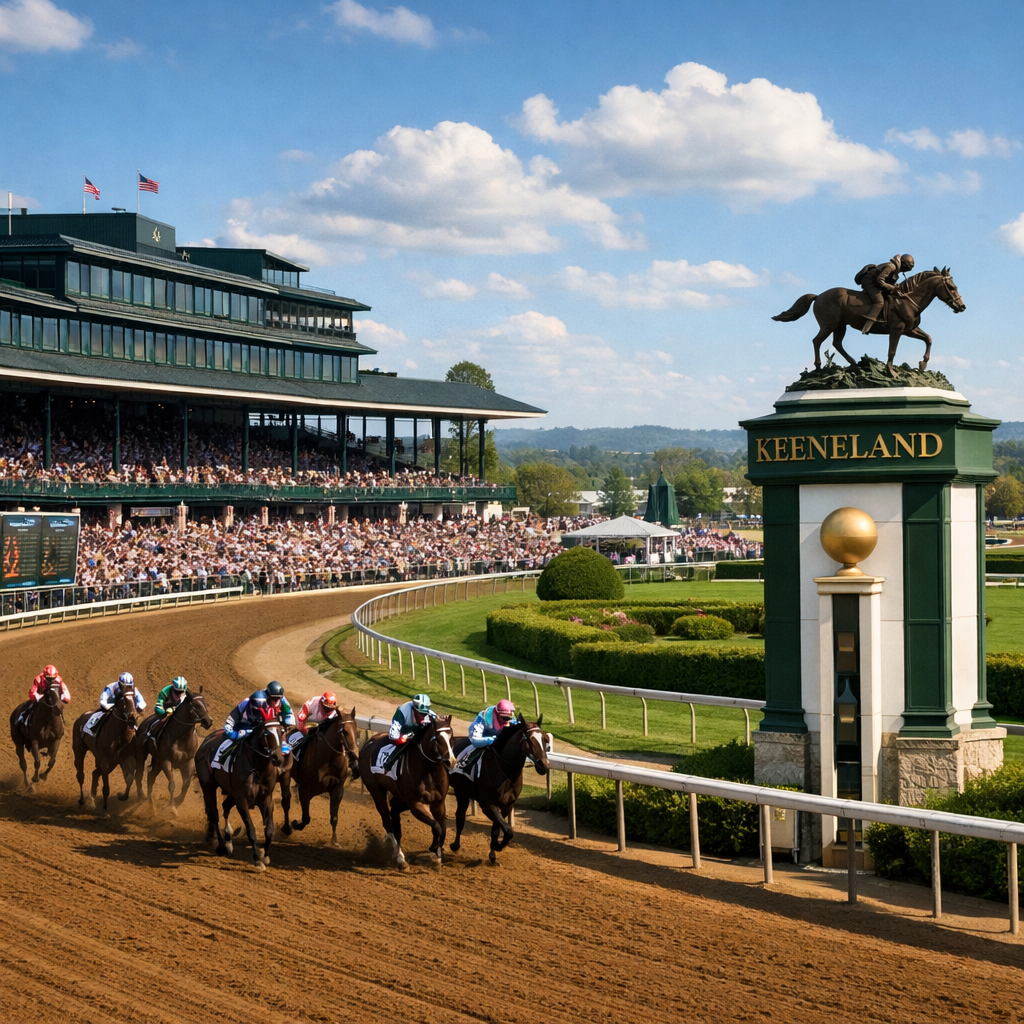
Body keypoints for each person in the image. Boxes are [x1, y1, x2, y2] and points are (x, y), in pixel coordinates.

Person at [857, 254, 915, 333]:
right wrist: (892, 287)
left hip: (876, 283)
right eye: (907, 268)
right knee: (879, 301)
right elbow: (879, 280)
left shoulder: (896, 272)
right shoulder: (891, 267)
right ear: (903, 264)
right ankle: (867, 325)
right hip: (869, 281)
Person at [458, 699, 517, 773]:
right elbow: (475, 740)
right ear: (498, 714)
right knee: (475, 750)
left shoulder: (511, 719)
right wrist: (493, 739)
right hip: (482, 739)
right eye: (505, 718)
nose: (507, 721)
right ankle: (463, 765)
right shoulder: (484, 717)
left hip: (498, 740)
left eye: (509, 718)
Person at [382, 693, 436, 770]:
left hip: (420, 734)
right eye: (421, 713)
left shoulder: (431, 715)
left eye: (425, 714)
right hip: (403, 733)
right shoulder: (402, 711)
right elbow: (393, 735)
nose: (423, 716)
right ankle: (389, 763)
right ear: (414, 709)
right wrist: (404, 736)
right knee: (404, 743)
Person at [145, 676, 188, 753]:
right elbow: (157, 708)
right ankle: (151, 734)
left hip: (179, 715)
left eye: (181, 692)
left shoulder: (187, 695)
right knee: (160, 721)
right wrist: (165, 713)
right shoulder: (165, 691)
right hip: (166, 713)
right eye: (176, 692)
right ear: (173, 688)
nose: (178, 694)